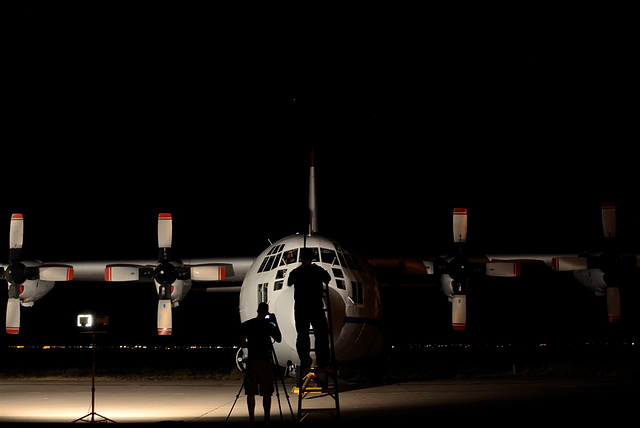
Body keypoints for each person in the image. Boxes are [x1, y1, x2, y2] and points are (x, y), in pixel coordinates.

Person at [287, 248, 332, 371]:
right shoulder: (317, 270)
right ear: (312, 258)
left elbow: (289, 282)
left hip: (301, 309)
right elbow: (328, 279)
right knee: (321, 335)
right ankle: (323, 363)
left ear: (301, 258)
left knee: (302, 336)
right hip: (316, 307)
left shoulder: (296, 272)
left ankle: (305, 363)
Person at [240, 302, 282, 426]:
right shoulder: (268, 325)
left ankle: (252, 419)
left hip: (252, 361)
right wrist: (274, 322)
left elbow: (242, 343)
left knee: (251, 392)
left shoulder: (247, 324)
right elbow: (278, 338)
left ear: (257, 310)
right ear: (267, 312)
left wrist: (252, 344)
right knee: (267, 392)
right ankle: (266, 419)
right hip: (265, 361)